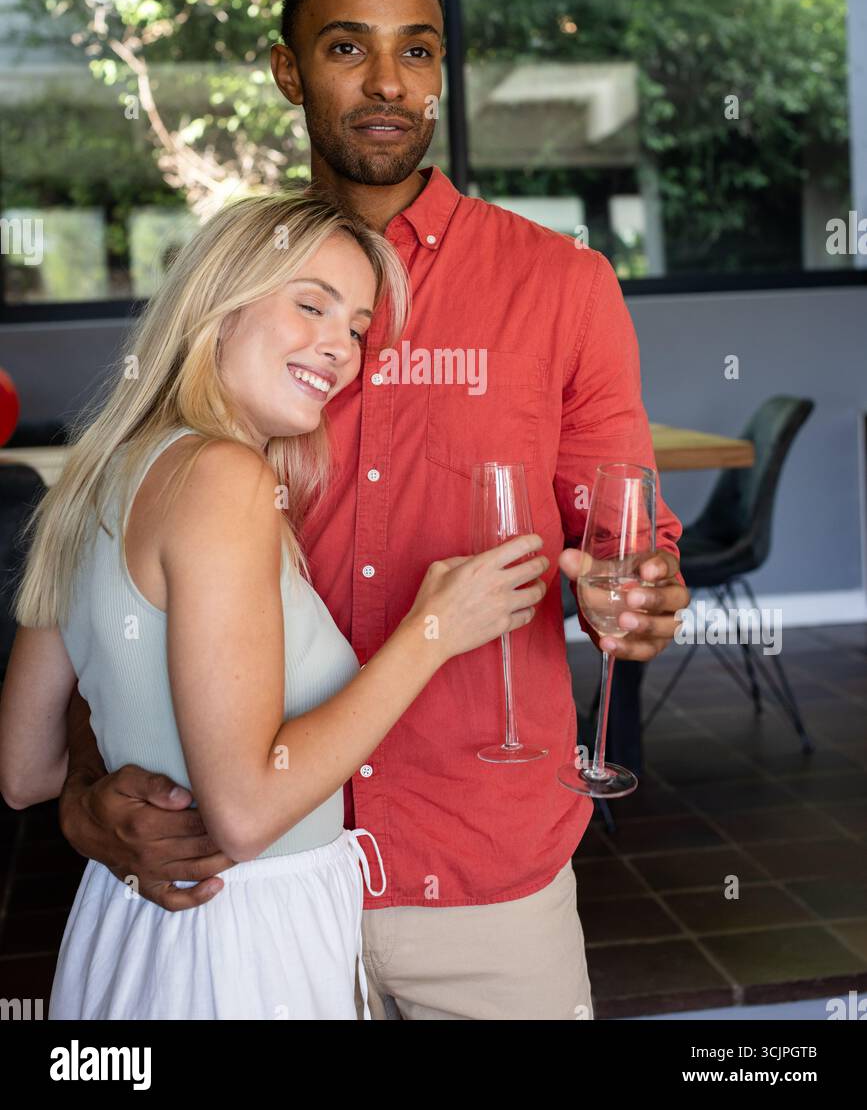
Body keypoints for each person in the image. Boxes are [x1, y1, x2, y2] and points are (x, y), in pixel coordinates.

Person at [40, 0, 690, 1021]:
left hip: (479, 878)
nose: (389, 81)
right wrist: (81, 794)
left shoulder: (563, 285)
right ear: (290, 70)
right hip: (246, 890)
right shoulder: (231, 299)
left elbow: (630, 539)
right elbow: (102, 571)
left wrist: (642, 594)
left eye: (419, 51)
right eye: (349, 47)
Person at [0, 190, 550, 1019]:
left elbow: (24, 772)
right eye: (310, 306)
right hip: (240, 940)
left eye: (358, 328)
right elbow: (248, 810)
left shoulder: (95, 474)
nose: (339, 349)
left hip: (127, 926)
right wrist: (434, 630)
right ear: (217, 307)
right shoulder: (223, 477)